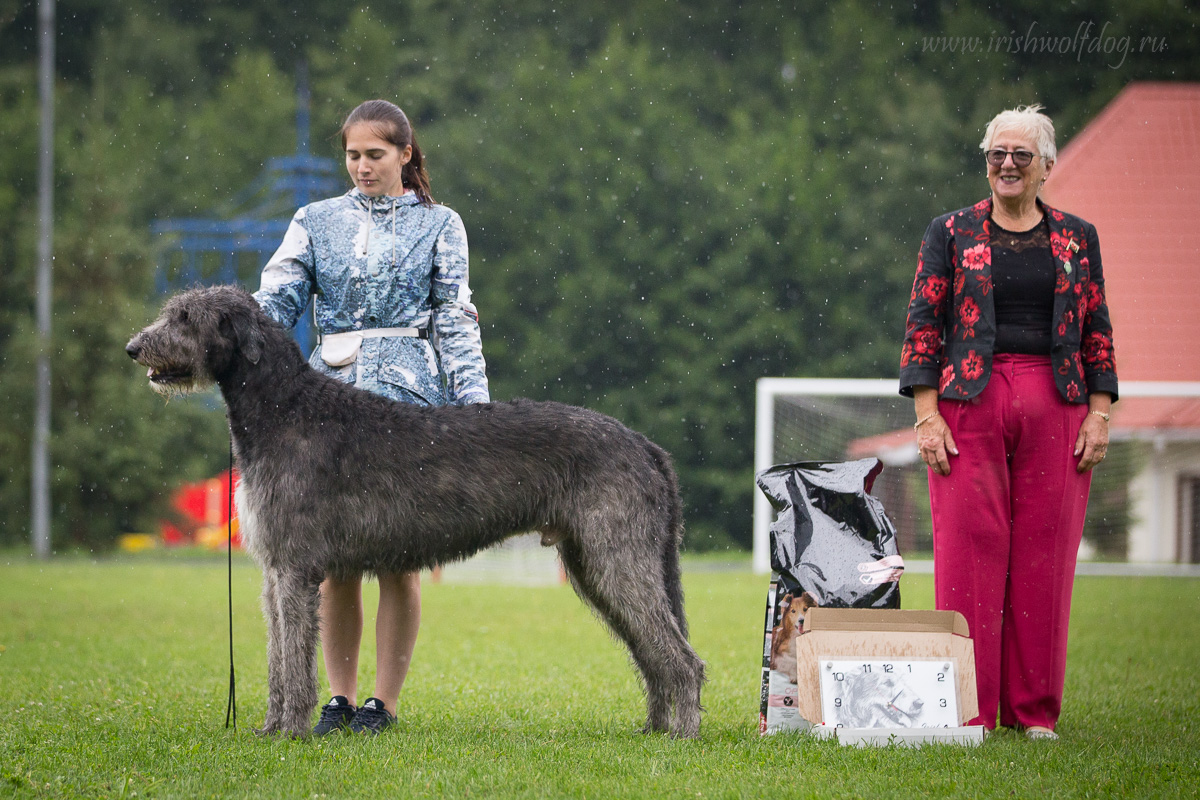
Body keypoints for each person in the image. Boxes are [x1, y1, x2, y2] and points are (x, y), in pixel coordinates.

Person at [253, 99, 489, 735]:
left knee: (399, 560)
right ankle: (338, 696)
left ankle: (383, 703)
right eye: (353, 155)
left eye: (375, 155)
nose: (362, 166)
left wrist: (477, 417)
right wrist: (229, 339)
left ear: (405, 155)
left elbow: (456, 321)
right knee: (332, 565)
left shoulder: (442, 225)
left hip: (410, 407)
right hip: (322, 410)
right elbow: (273, 300)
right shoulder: (312, 220)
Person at [898, 105, 1117, 740]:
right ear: (986, 161)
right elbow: (922, 323)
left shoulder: (1078, 238)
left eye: (1022, 154)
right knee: (968, 552)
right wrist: (926, 415)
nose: (1008, 165)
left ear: (1047, 165)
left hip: (1060, 399)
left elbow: (1098, 329)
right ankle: (968, 710)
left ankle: (1033, 713)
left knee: (1045, 558)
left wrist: (1100, 413)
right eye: (997, 153)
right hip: (968, 397)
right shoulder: (950, 232)